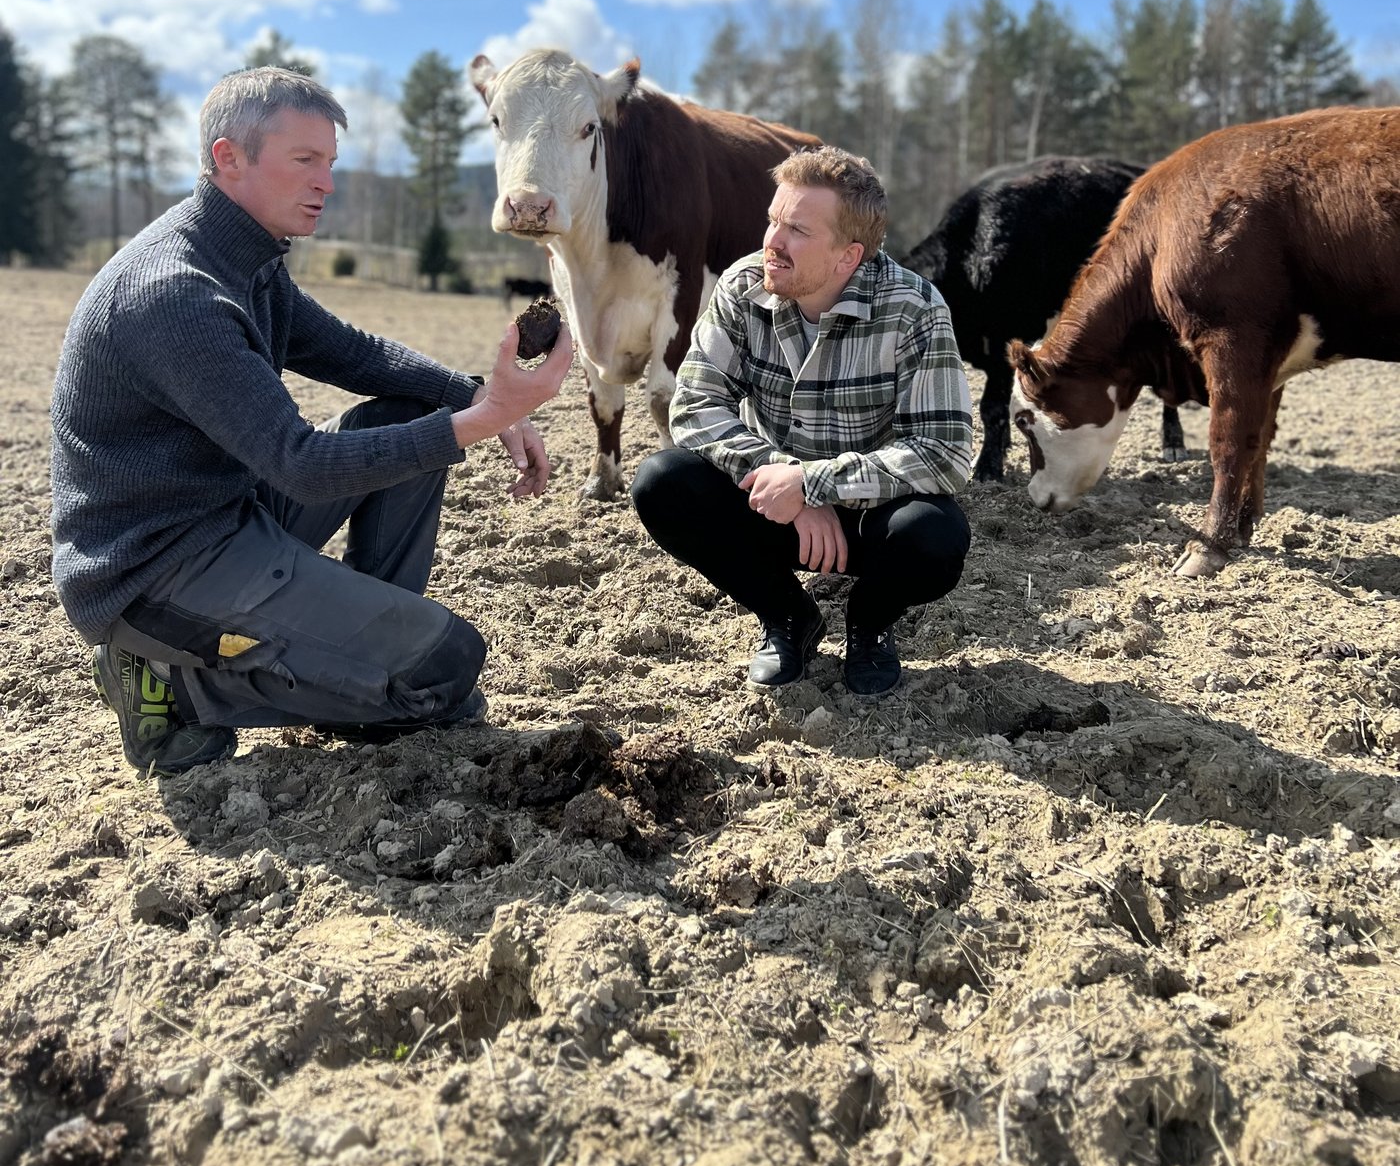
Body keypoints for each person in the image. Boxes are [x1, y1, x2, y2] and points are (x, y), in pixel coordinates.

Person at [50, 67, 573, 777]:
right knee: (445, 672)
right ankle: (173, 684)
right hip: (153, 571)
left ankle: (357, 665)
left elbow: (350, 354)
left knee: (412, 410)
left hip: (226, 515)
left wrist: (468, 393)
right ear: (229, 158)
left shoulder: (246, 257)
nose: (327, 182)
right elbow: (302, 465)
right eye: (305, 161)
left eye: (329, 162)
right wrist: (489, 417)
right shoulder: (177, 294)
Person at [631, 146, 973, 696]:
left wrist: (816, 484)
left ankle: (869, 624)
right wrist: (787, 478)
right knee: (661, 484)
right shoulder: (743, 288)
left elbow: (945, 452)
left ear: (847, 256)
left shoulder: (915, 308)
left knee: (934, 536)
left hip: (871, 514)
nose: (772, 242)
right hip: (772, 503)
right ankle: (789, 617)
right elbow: (693, 405)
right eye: (773, 220)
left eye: (797, 230)